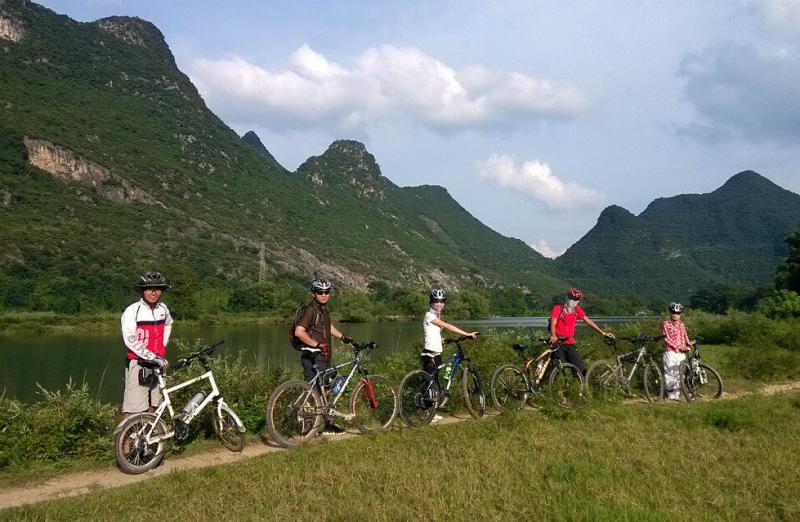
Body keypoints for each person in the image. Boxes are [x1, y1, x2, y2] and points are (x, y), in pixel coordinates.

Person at [121, 271, 173, 418]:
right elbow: (130, 339)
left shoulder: (163, 309)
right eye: (149, 289)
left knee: (156, 405)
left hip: (159, 363)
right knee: (134, 410)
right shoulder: (132, 311)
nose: (154, 292)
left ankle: (149, 439)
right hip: (139, 363)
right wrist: (151, 356)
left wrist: (163, 344)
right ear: (142, 290)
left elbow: (169, 324)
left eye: (158, 289)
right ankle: (127, 441)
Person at [293, 277, 353, 383]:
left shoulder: (323, 308)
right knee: (314, 393)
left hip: (323, 357)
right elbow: (299, 332)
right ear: (313, 294)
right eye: (320, 292)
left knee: (327, 387)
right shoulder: (310, 310)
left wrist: (342, 337)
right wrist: (316, 345)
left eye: (326, 292)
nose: (324, 295)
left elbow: (327, 326)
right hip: (313, 357)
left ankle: (322, 399)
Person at [548, 288, 615, 376]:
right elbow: (553, 323)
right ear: (567, 297)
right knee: (559, 370)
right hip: (557, 343)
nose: (575, 302)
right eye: (573, 299)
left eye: (577, 300)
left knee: (580, 369)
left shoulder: (576, 309)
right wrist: (553, 335)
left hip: (569, 342)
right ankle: (556, 387)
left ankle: (581, 388)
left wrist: (602, 333)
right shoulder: (558, 308)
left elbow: (587, 321)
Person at [421, 288, 479, 378]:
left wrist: (441, 340)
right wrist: (467, 334)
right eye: (436, 301)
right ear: (432, 302)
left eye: (441, 301)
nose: (439, 304)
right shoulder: (429, 315)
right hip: (430, 354)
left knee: (436, 380)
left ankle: (443, 389)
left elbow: (431, 332)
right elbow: (448, 326)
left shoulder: (436, 315)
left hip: (437, 353)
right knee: (431, 381)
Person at [662, 302, 693, 401]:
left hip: (681, 353)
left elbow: (685, 335)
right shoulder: (666, 323)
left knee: (680, 375)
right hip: (670, 352)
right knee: (670, 374)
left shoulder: (682, 324)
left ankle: (677, 395)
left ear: (680, 314)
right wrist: (679, 347)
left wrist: (689, 343)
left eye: (678, 313)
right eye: (673, 312)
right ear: (670, 313)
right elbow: (667, 339)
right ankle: (671, 397)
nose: (675, 315)